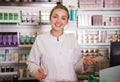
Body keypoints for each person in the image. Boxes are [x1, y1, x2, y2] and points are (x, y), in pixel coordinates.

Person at [27, 4, 97, 82]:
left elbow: (77, 67)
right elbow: (31, 63)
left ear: (67, 22)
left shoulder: (71, 38)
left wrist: (84, 62)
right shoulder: (40, 39)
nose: (58, 21)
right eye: (55, 17)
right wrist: (36, 71)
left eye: (63, 18)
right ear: (50, 18)